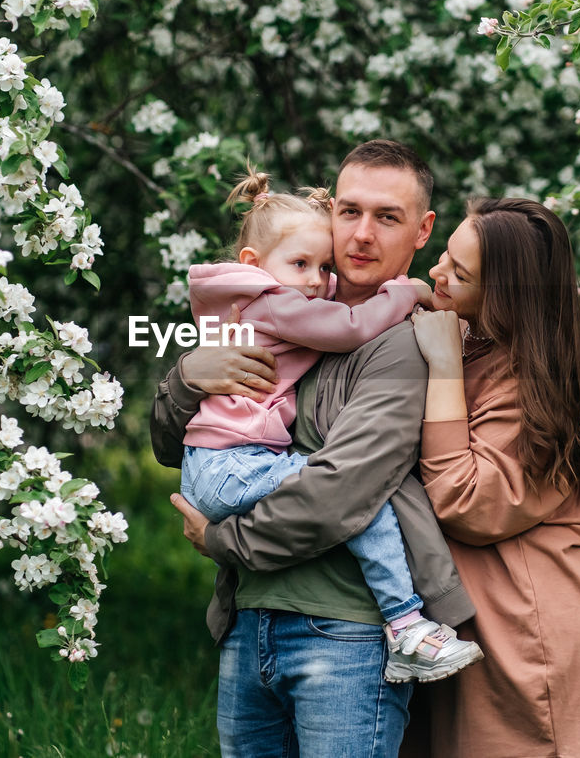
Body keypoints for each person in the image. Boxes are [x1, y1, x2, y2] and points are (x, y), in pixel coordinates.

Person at [152, 140, 476, 758]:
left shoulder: (401, 344)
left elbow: (337, 493)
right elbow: (174, 445)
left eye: (387, 218)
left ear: (422, 231)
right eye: (348, 211)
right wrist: (190, 376)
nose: (360, 234)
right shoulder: (290, 312)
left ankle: (411, 626)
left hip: (342, 633)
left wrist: (222, 541)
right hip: (250, 620)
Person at [403, 197, 580, 757]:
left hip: (539, 638)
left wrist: (442, 368)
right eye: (445, 257)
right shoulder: (473, 341)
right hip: (494, 627)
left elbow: (466, 502)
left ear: (503, 299)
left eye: (459, 275)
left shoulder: (535, 384)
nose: (436, 273)